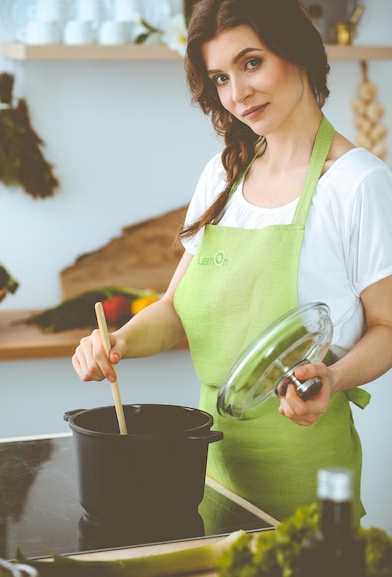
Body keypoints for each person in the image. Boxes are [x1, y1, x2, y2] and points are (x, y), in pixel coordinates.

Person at [73, 0, 392, 523]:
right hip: (208, 475)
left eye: (250, 63)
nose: (237, 93)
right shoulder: (225, 175)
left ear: (299, 54)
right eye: (220, 77)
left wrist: (332, 380)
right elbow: (175, 308)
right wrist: (119, 342)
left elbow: (386, 326)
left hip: (305, 482)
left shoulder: (357, 183)